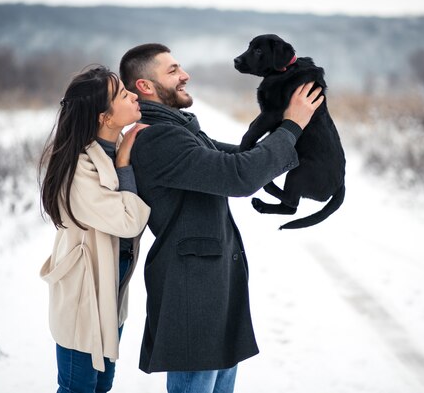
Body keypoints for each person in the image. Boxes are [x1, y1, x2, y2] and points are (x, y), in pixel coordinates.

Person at [119, 44, 323, 393]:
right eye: (172, 71)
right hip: (191, 293)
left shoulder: (180, 129)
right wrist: (291, 127)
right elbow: (237, 175)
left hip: (211, 288)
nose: (185, 75)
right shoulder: (158, 137)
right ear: (145, 86)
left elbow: (243, 157)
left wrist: (304, 138)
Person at [38, 65, 151, 393]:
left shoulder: (113, 146)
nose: (133, 94)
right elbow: (129, 220)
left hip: (111, 290)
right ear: (103, 116)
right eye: (122, 94)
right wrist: (125, 164)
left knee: (102, 386)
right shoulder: (80, 168)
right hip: (84, 296)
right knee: (78, 388)